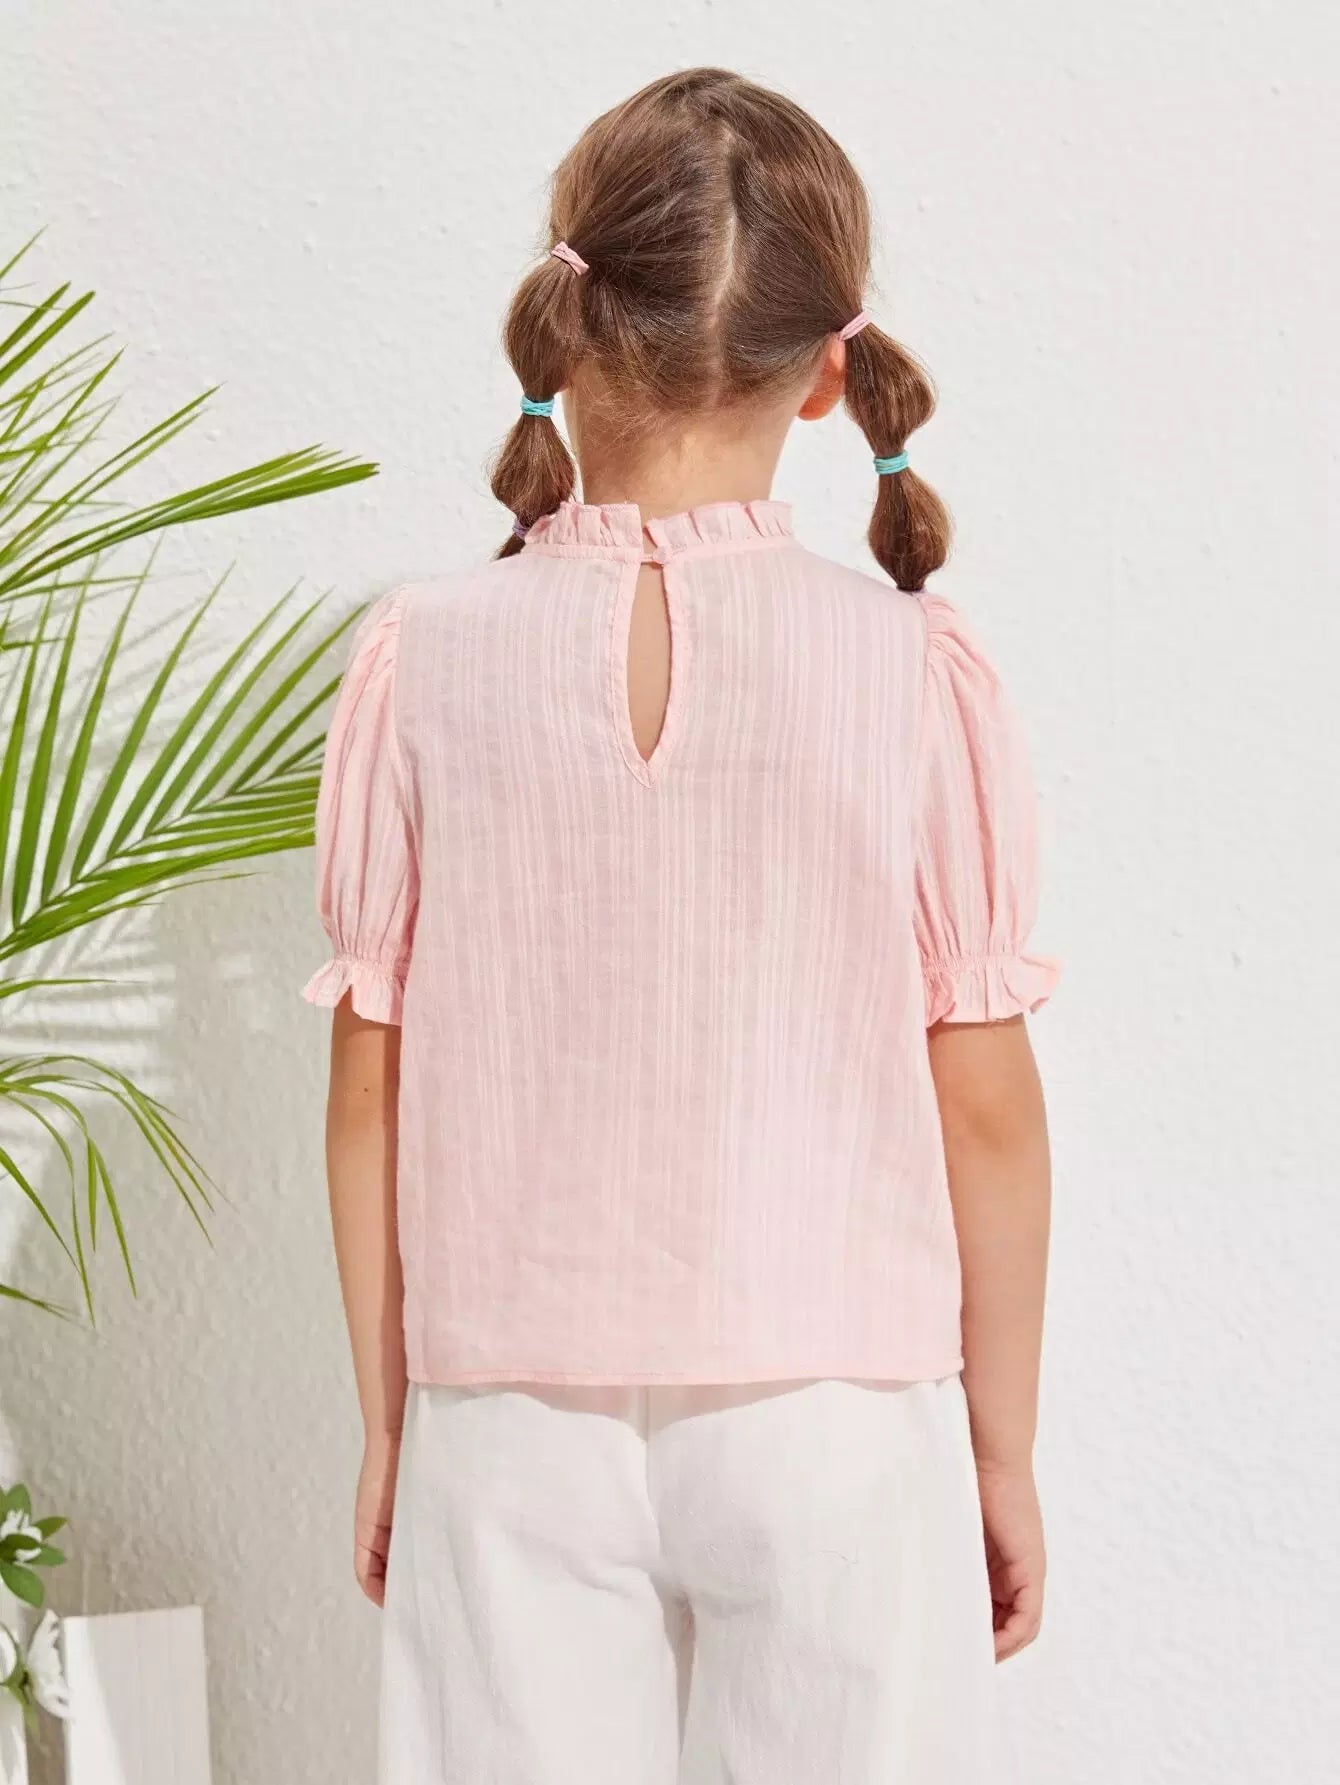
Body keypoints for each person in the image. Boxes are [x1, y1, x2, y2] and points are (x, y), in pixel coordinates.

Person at [303, 66, 1060, 1785]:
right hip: (841, 1407)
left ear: (566, 329)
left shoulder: (423, 651)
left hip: (509, 1413)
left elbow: (368, 1084)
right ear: (830, 375)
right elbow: (989, 1107)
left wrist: (393, 1419)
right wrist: (1000, 1446)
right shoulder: (911, 668)